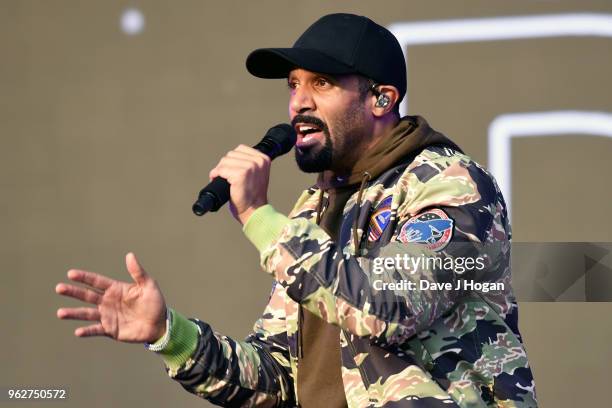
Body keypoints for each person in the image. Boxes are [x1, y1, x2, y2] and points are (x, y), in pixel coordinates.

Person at [56, 13, 537, 408]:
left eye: (321, 83)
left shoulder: (447, 184)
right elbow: (280, 377)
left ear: (381, 98)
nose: (297, 103)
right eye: (292, 85)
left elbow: (388, 307)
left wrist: (259, 218)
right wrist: (170, 335)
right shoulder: (314, 208)